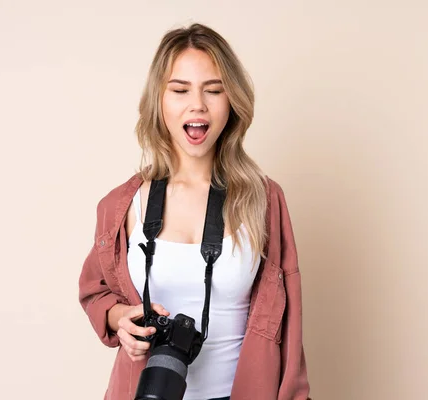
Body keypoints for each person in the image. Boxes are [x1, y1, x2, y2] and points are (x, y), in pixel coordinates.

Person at [78, 23, 311, 400]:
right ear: (159, 100)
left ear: (231, 100)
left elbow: (290, 330)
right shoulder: (121, 207)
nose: (197, 104)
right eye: (180, 90)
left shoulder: (264, 201)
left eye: (214, 90)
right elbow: (96, 294)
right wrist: (120, 319)